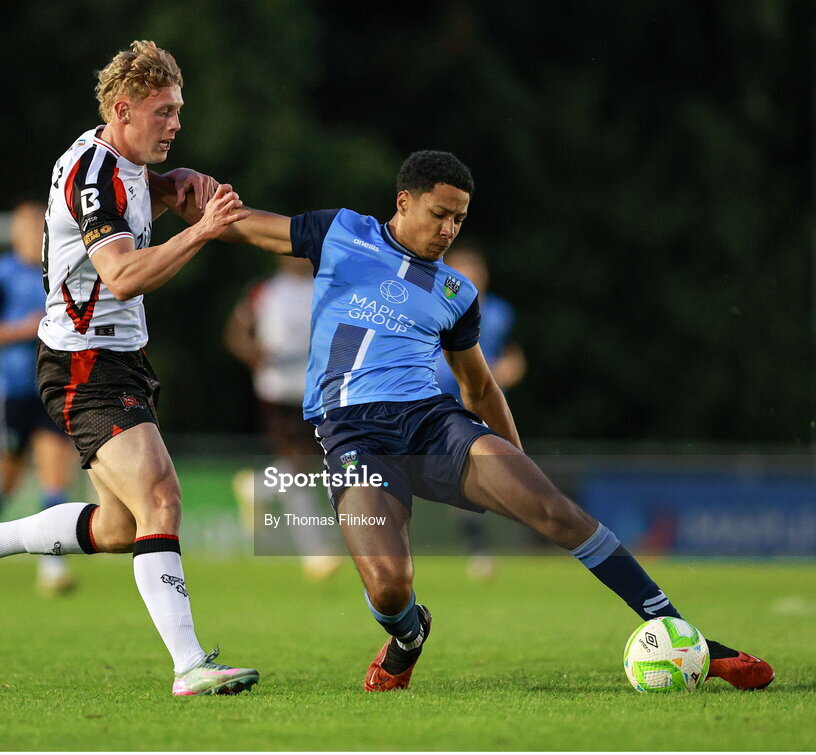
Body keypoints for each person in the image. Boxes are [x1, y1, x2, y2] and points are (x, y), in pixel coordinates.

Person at [164, 149, 774, 692]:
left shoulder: (457, 292)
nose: (449, 229)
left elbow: (478, 386)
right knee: (388, 589)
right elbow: (238, 226)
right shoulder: (341, 234)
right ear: (404, 202)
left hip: (434, 425)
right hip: (353, 435)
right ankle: (408, 637)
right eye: (439, 214)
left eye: (459, 218)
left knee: (557, 511)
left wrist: (517, 459)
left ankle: (688, 637)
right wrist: (162, 190)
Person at [0, 40, 259, 697]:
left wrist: (176, 186)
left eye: (179, 111)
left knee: (120, 526)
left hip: (119, 362)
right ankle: (189, 664)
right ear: (123, 109)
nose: (175, 123)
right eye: (164, 112)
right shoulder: (95, 173)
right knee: (162, 497)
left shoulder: (124, 160)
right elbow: (120, 274)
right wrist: (199, 232)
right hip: (83, 364)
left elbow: (140, 193)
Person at [0, 200, 81, 595]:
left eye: (41, 227)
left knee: (54, 478)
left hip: (53, 388)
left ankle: (53, 568)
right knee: (8, 479)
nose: (37, 235)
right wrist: (22, 329)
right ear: (16, 235)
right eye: (29, 228)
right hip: (12, 391)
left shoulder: (63, 268)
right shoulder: (0, 275)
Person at [225, 255, 342, 580]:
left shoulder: (326, 288)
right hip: (278, 390)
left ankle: (258, 487)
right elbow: (237, 331)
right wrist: (253, 354)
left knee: (310, 465)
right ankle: (315, 552)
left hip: (318, 389)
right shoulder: (264, 290)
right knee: (296, 466)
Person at [434, 247, 527, 579]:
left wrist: (499, 375)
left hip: (483, 406)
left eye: (475, 271)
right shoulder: (434, 309)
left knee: (485, 476)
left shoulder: (501, 312)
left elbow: (514, 359)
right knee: (462, 478)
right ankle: (478, 548)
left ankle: (484, 546)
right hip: (441, 405)